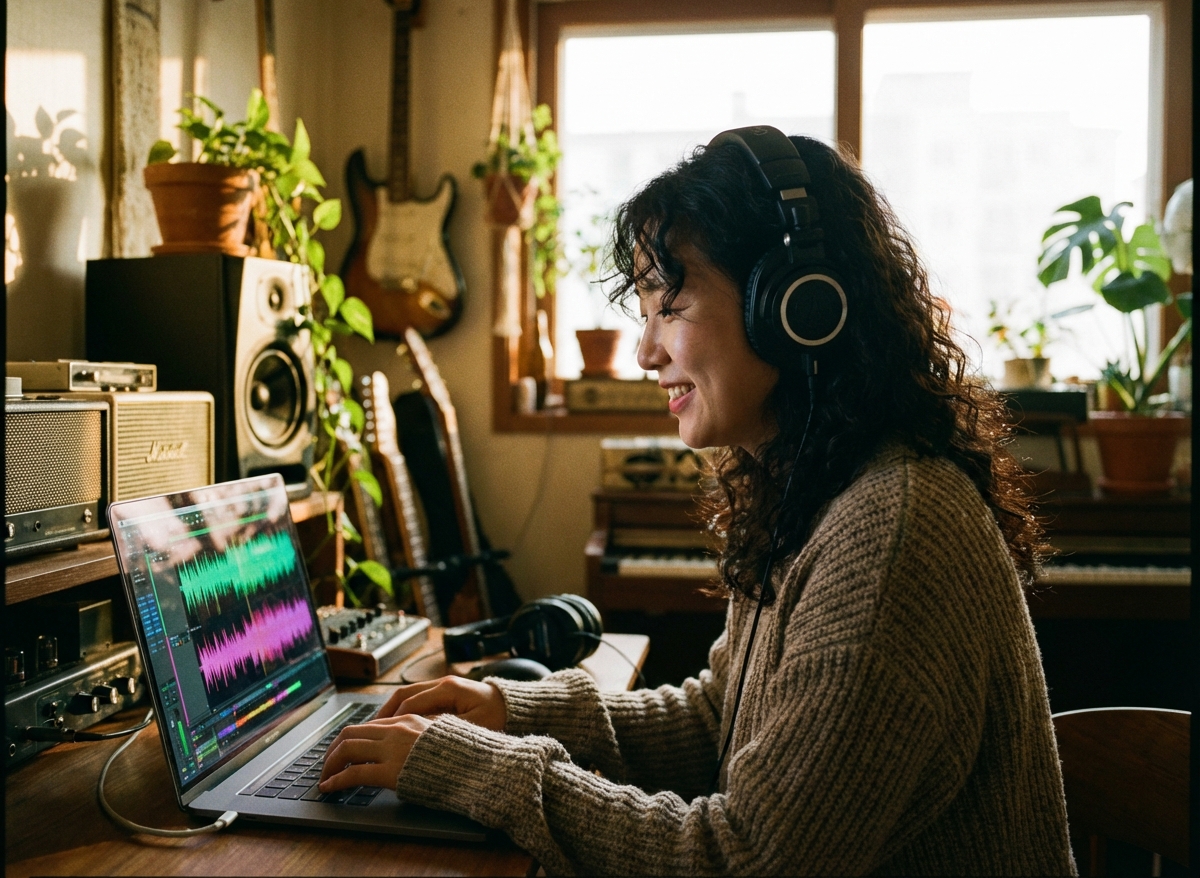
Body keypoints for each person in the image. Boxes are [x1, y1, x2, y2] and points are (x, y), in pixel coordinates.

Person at [319, 127, 1077, 876]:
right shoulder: (818, 482)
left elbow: (745, 858)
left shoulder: (891, 530)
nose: (647, 352)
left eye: (669, 309)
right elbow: (723, 718)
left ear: (791, 307)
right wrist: (511, 711)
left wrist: (482, 771)